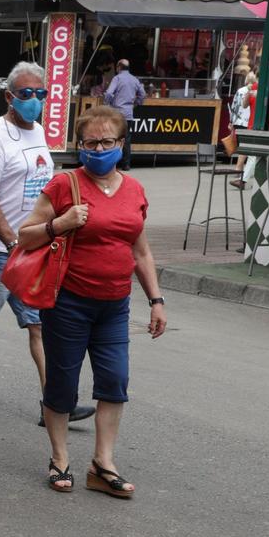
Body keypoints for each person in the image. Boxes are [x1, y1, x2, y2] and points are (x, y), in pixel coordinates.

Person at [13, 106, 165, 497]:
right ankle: (60, 458)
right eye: (91, 142)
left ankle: (103, 463)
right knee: (62, 383)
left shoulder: (134, 190)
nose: (99, 149)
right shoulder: (65, 185)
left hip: (115, 304)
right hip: (68, 302)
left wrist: (156, 299)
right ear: (80, 146)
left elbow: (141, 251)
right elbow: (25, 235)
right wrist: (61, 224)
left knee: (115, 381)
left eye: (107, 142)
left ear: (121, 143)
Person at [0, 60, 96, 430]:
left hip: (35, 246)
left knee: (39, 324)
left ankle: (54, 402)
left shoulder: (38, 132)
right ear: (9, 97)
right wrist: (10, 240)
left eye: (41, 94)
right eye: (26, 94)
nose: (34, 100)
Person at [104, 55, 145, 168]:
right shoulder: (134, 79)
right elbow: (143, 94)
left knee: (113, 137)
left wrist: (108, 103)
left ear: (119, 67)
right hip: (128, 114)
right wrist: (136, 103)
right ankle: (126, 164)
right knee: (126, 139)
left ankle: (113, 163)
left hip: (117, 113)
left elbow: (108, 93)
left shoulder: (117, 78)